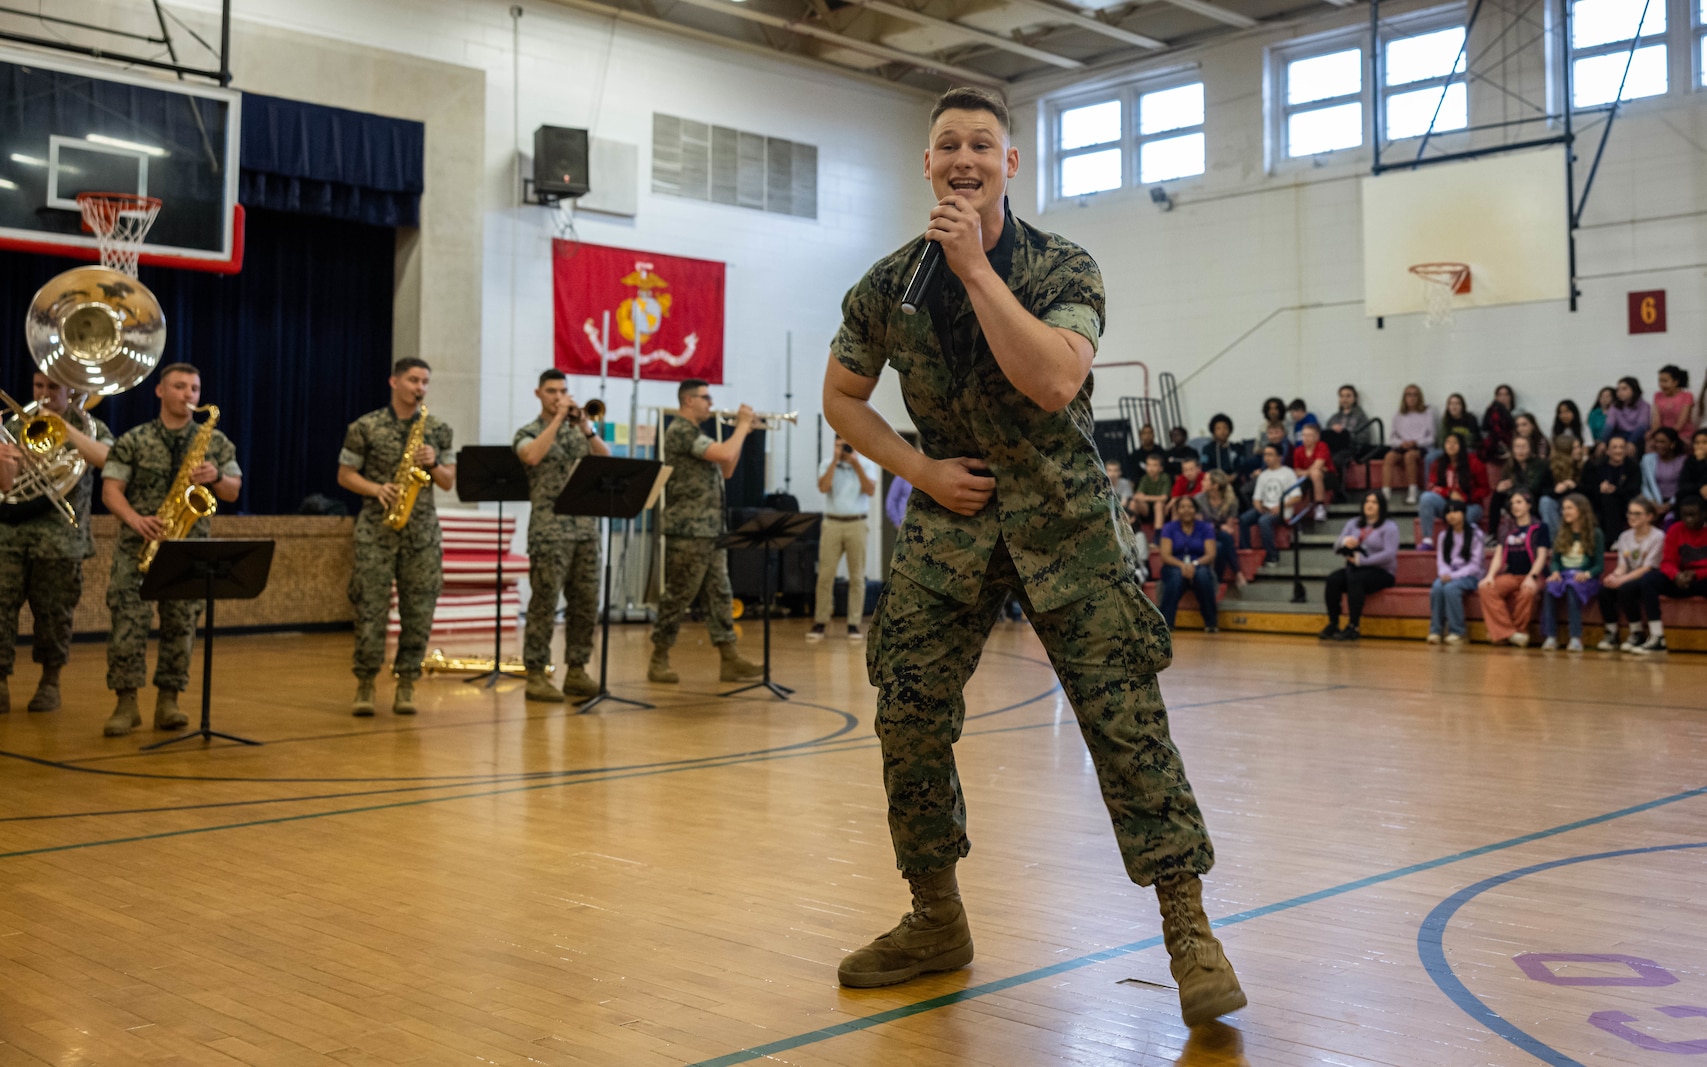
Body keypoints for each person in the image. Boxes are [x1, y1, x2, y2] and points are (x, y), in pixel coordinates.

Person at [821, 86, 1243, 1024]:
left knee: (1124, 722)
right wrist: (918, 468)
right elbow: (842, 397)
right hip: (950, 524)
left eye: (982, 144)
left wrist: (975, 269)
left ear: (1011, 163)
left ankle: (1188, 929)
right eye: (946, 146)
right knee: (910, 713)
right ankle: (936, 916)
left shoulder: (1061, 265)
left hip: (1064, 524)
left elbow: (1053, 379)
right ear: (925, 166)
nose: (963, 158)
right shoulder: (886, 285)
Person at [100, 364, 243, 736]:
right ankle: (126, 704)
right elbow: (110, 491)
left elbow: (233, 491)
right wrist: (135, 520)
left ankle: (169, 702)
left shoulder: (217, 442)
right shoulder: (133, 439)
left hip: (189, 548)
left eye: (194, 388)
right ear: (160, 391)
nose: (188, 395)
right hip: (139, 544)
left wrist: (217, 477)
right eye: (180, 387)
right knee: (128, 624)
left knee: (181, 625)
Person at [337, 358, 456, 717]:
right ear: (394, 382)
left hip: (421, 534)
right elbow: (345, 475)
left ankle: (406, 684)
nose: (420, 387)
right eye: (413, 380)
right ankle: (365, 684)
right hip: (376, 530)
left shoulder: (438, 429)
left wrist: (434, 464)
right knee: (370, 609)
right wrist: (376, 489)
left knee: (419, 611)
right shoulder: (365, 426)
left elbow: (449, 481)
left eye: (425, 382)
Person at [0, 372, 112, 713]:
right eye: (38, 386)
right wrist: (9, 461)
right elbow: (7, 488)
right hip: (10, 536)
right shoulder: (18, 426)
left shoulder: (91, 427)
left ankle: (50, 682)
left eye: (53, 388)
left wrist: (64, 429)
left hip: (61, 538)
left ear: (71, 391)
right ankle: (1, 683)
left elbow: (109, 459)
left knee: (54, 616)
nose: (44, 394)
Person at [647, 380, 764, 683]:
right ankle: (658, 658)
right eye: (705, 397)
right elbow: (725, 455)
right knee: (678, 595)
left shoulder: (698, 434)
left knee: (720, 594)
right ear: (688, 400)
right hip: (688, 530)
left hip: (710, 529)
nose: (710, 403)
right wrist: (740, 427)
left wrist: (742, 433)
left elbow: (727, 469)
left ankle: (729, 658)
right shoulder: (680, 431)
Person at [514, 370, 610, 703]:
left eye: (564, 391)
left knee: (586, 604)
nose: (559, 396)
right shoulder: (529, 432)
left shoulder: (578, 433)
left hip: (585, 530)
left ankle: (578, 670)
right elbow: (532, 456)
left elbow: (606, 461)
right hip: (549, 531)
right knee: (544, 604)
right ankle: (537, 674)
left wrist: (587, 427)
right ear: (538, 393)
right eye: (552, 391)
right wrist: (556, 420)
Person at [810, 434, 879, 641]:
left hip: (857, 523)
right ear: (834, 444)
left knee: (857, 576)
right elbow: (823, 487)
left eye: (849, 444)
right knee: (825, 575)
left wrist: (856, 464)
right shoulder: (826, 463)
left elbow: (870, 490)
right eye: (841, 444)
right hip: (832, 523)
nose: (846, 448)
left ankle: (853, 624)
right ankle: (820, 621)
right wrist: (835, 459)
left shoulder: (866, 464)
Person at [1318, 490, 1399, 642]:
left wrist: (1361, 560)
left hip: (1382, 572)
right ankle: (1333, 623)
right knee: (1333, 579)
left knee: (1355, 579)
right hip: (1356, 568)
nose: (1370, 505)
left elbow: (1389, 554)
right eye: (1367, 502)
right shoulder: (1353, 523)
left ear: (1381, 506)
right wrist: (1344, 542)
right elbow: (1336, 546)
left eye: (1374, 502)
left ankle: (1353, 626)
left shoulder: (1389, 527)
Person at [1630, 494, 1707, 654]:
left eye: (1693, 515)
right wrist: (1676, 575)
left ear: (1704, 514)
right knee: (1649, 580)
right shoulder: (1675, 529)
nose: (1689, 520)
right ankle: (1657, 636)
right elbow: (1667, 562)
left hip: (1701, 580)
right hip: (1680, 579)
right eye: (1685, 515)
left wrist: (1696, 574)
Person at [1477, 489, 1550, 647]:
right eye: (1512, 503)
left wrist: (1532, 577)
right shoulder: (1506, 528)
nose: (1514, 506)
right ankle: (1510, 633)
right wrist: (1490, 575)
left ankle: (1518, 630)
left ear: (1528, 505)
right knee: (1486, 588)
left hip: (1533, 574)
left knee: (1527, 591)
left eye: (1519, 502)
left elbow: (1542, 556)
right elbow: (1498, 555)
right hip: (1512, 574)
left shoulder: (1540, 527)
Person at [1597, 497, 1664, 652]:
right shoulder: (1624, 536)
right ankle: (1611, 633)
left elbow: (1648, 567)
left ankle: (1636, 633)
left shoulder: (1658, 536)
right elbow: (1622, 565)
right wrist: (1614, 576)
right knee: (1604, 590)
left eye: (1637, 513)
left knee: (1625, 588)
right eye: (1629, 513)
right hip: (1630, 575)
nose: (1632, 517)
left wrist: (1622, 580)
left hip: (1650, 577)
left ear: (1649, 517)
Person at [1538, 493, 1603, 652]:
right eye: (1564, 509)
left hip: (1585, 577)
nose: (1565, 512)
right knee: (1550, 587)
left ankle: (1575, 637)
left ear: (1581, 510)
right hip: (1564, 574)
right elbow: (1555, 561)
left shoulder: (1596, 534)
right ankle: (1551, 636)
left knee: (1572, 587)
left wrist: (1587, 574)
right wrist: (1554, 572)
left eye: (1569, 508)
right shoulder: (1562, 533)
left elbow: (1599, 565)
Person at [1427, 499, 1485, 645]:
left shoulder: (1475, 533)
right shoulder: (1443, 536)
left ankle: (1458, 632)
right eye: (1448, 512)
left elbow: (1475, 565)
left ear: (1464, 513)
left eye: (1455, 511)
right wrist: (1444, 574)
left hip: (1471, 575)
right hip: (1450, 574)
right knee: (1437, 587)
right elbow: (1441, 561)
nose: (1451, 516)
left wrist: (1453, 576)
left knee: (1451, 589)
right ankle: (1436, 631)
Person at [1157, 495, 1220, 631]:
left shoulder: (1206, 527)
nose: (1186, 510)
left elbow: (1211, 554)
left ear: (1195, 510)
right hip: (1174, 565)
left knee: (1202, 575)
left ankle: (1211, 623)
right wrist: (1182, 565)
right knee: (1176, 576)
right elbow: (1165, 555)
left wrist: (1194, 564)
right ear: (1177, 510)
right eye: (1182, 507)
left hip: (1199, 563)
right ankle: (1166, 623)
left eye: (1190, 507)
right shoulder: (1169, 528)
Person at [1416, 433, 1487, 550]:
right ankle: (1427, 540)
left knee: (1468, 515)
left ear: (1462, 445)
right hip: (1447, 503)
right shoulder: (1438, 463)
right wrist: (1449, 493)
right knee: (1426, 498)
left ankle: (1465, 543)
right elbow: (1431, 486)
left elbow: (1485, 489)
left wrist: (1465, 497)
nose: (1451, 446)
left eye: (1455, 443)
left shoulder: (1474, 462)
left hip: (1470, 504)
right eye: (1448, 442)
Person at [1240, 444, 1300, 565]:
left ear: (1279, 457)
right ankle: (1247, 551)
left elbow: (1297, 496)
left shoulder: (1288, 473)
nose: (1266, 458)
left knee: (1264, 521)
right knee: (1244, 519)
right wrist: (1259, 507)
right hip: (1266, 508)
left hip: (1282, 509)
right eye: (1265, 455)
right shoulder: (1263, 475)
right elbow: (1256, 498)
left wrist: (1280, 506)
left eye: (1270, 455)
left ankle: (1272, 556)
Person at [1193, 470, 1246, 594]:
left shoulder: (1231, 501)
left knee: (1222, 542)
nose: (1202, 482)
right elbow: (1200, 526)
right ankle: (1237, 572)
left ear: (1215, 486)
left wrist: (1220, 527)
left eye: (1206, 480)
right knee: (1222, 540)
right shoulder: (1198, 499)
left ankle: (1217, 579)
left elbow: (1229, 526)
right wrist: (1217, 527)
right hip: (1202, 536)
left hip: (1219, 535)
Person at [1383, 384, 1434, 505]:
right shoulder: (1398, 415)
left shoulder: (1427, 413)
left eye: (1414, 395)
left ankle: (1413, 491)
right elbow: (1392, 437)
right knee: (1389, 457)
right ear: (1404, 398)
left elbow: (1432, 438)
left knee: (1409, 456)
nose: (1411, 398)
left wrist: (1416, 442)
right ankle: (1385, 493)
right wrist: (1401, 443)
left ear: (1419, 397)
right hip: (1403, 445)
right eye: (1408, 395)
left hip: (1420, 446)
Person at [1489, 434, 1548, 535]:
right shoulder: (1509, 465)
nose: (1520, 451)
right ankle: (1492, 534)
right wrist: (1501, 487)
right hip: (1514, 496)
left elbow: (1534, 486)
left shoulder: (1540, 464)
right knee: (1497, 494)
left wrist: (1513, 486)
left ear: (1530, 449)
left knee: (1523, 497)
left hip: (1534, 498)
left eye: (1523, 447)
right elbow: (1506, 483)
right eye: (1517, 447)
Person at [1585, 434, 1640, 539]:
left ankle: (1612, 539)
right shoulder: (1597, 466)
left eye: (1621, 447)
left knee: (1610, 499)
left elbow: (1634, 490)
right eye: (1614, 447)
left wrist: (1615, 490)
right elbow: (1588, 488)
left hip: (1625, 501)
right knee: (1606, 499)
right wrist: (1599, 488)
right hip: (1600, 502)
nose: (1618, 451)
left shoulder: (1632, 466)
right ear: (1607, 451)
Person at [1322, 384, 1375, 475]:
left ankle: (1338, 488)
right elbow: (1325, 435)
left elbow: (1365, 437)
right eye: (1342, 396)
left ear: (1354, 398)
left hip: (1351, 449)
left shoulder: (1360, 416)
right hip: (1333, 448)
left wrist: (1345, 434)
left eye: (1348, 396)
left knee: (1336, 459)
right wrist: (1333, 431)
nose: (1344, 399)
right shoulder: (1334, 418)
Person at [1292, 423, 1335, 522]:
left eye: (1309, 435)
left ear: (1317, 437)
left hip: (1328, 477)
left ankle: (1320, 507)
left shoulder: (1322, 446)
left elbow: (1317, 465)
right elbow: (1296, 471)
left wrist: (1305, 472)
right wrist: (1307, 472)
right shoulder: (1298, 450)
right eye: (1304, 435)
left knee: (1316, 473)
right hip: (1307, 478)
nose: (1306, 438)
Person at [1641, 426, 1685, 518]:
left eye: (1662, 442)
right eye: (1656, 441)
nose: (1658, 445)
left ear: (1672, 444)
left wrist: (1669, 505)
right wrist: (1653, 502)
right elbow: (1644, 485)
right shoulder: (1647, 459)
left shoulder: (1683, 461)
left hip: (1677, 500)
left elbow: (1684, 486)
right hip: (1653, 501)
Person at [1545, 433, 1585, 534]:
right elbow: (1542, 490)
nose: (1579, 450)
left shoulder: (1586, 466)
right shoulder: (1550, 467)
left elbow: (1591, 490)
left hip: (1578, 501)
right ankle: (1555, 541)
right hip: (1558, 502)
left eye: (1579, 447)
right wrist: (1556, 490)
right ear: (1565, 451)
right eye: (1575, 448)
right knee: (1545, 501)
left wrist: (1574, 487)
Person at [1606, 376, 1651, 452]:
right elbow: (1609, 426)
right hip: (1619, 436)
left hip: (1637, 437)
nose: (1620, 392)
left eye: (1624, 389)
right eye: (1618, 390)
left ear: (1634, 390)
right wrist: (1603, 442)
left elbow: (1641, 427)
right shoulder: (1615, 406)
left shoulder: (1644, 406)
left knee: (1632, 450)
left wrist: (1631, 442)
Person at [1129, 452, 1171, 530]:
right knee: (1133, 503)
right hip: (1147, 509)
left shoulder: (1165, 477)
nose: (1151, 468)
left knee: (1158, 504)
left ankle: (1158, 534)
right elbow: (1138, 495)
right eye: (1149, 465)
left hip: (1162, 509)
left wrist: (1146, 498)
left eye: (1154, 465)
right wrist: (1141, 498)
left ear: (1161, 468)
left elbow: (1164, 498)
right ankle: (1134, 529)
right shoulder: (1145, 478)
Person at [1653, 365, 1695, 441]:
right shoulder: (1658, 395)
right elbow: (1656, 421)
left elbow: (1681, 423)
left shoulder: (1687, 396)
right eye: (1660, 381)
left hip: (1682, 434)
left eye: (1665, 381)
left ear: (1675, 382)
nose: (1661, 384)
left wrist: (1667, 436)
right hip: (1662, 435)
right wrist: (1656, 434)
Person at [1200, 414, 1244, 484]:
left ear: (1230, 430)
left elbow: (1241, 465)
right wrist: (1218, 478)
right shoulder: (1207, 449)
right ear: (1213, 431)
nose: (1222, 431)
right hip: (1215, 482)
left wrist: (1234, 475)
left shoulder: (1236, 447)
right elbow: (1205, 468)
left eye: (1225, 428)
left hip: (1234, 481)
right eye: (1218, 428)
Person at [1479, 384, 1516, 465]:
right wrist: (1489, 410)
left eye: (1506, 394)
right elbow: (1484, 428)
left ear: (1511, 397)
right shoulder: (1491, 413)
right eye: (1500, 394)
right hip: (1494, 453)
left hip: (1513, 451)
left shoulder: (1517, 413)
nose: (1503, 397)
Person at [1166, 455, 1206, 520]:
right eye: (1185, 470)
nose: (1188, 473)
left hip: (1200, 506)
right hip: (1185, 504)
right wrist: (1168, 506)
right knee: (1175, 505)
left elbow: (1198, 496)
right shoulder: (1181, 478)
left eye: (1191, 469)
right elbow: (1175, 496)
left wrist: (1182, 498)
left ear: (1199, 469)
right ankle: (1174, 526)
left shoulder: (1205, 477)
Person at [1680, 429, 1707, 511]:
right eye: (1697, 443)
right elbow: (1684, 485)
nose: (1700, 446)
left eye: (1705, 442)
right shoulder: (1690, 461)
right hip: (1695, 497)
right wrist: (1700, 462)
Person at [1587, 386, 1616, 455]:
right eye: (1602, 396)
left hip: (1612, 443)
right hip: (1595, 443)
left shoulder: (1616, 413)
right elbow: (1590, 430)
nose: (1604, 399)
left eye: (1608, 396)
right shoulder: (1594, 413)